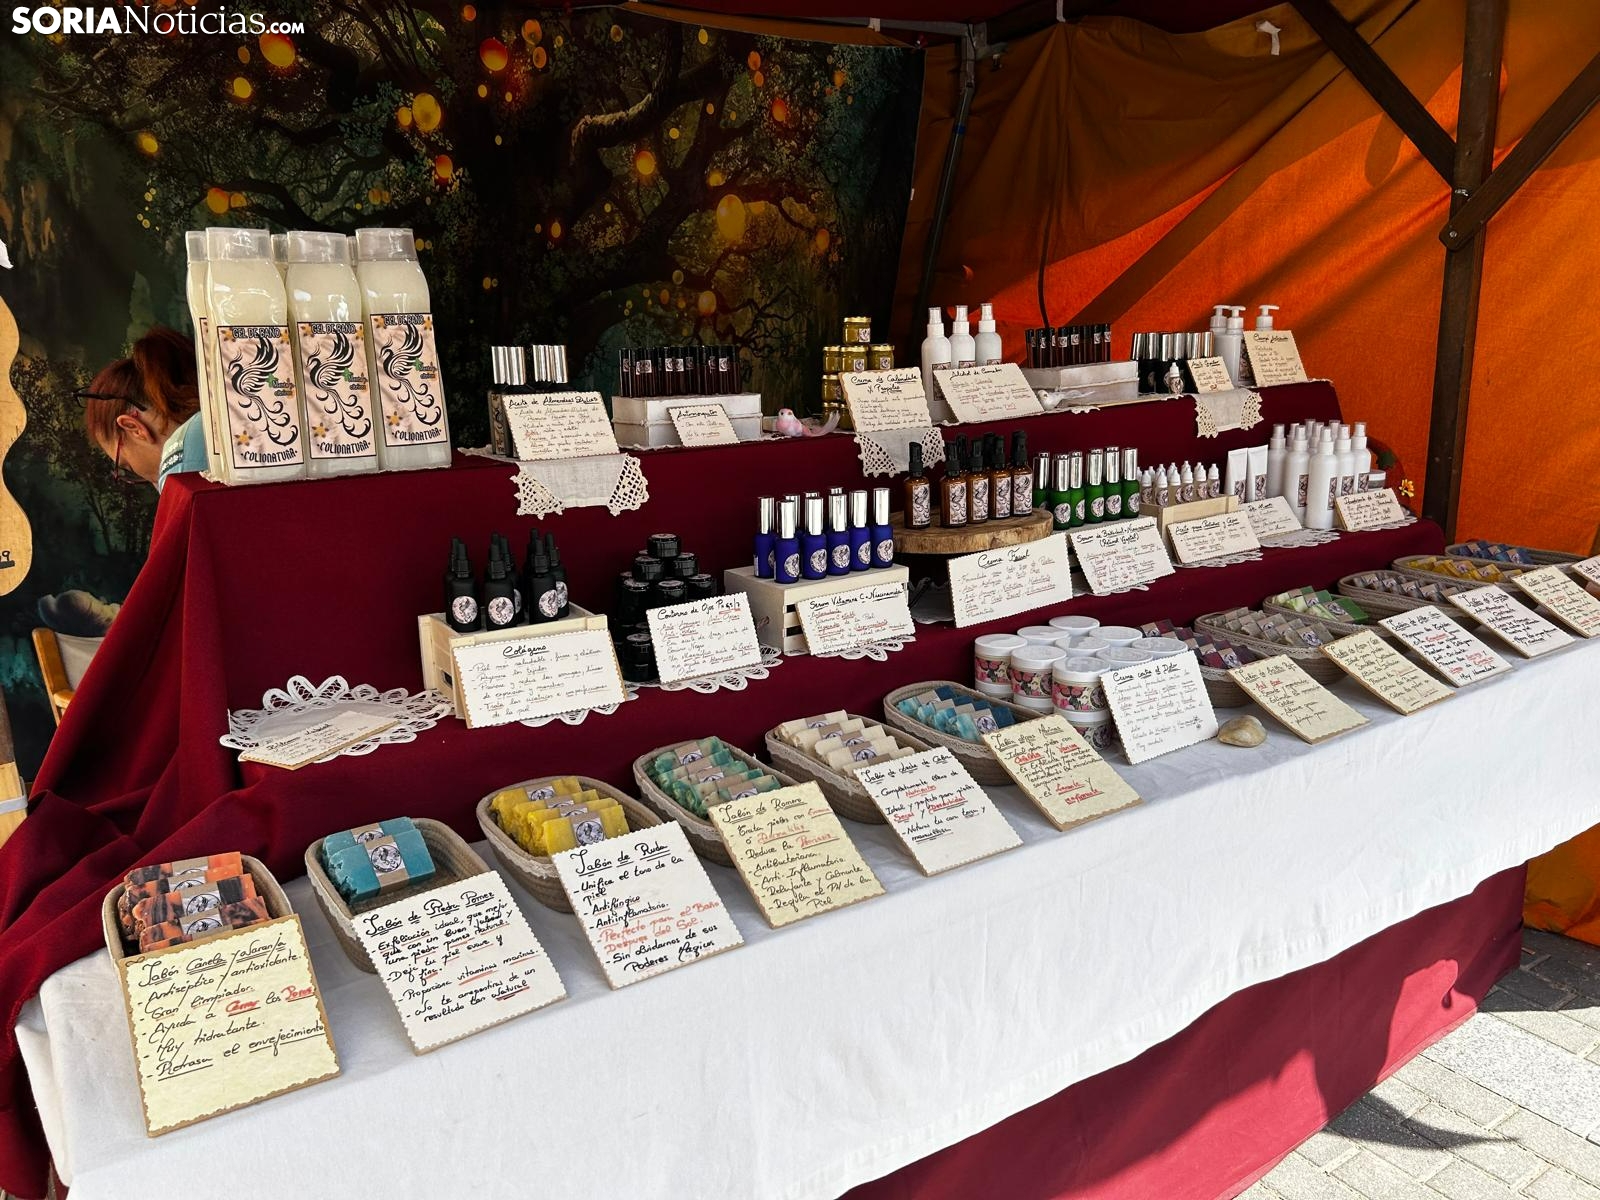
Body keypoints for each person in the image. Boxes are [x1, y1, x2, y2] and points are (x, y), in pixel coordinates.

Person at [79, 325, 208, 491]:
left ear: (134, 427)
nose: (150, 482)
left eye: (127, 468)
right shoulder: (225, 412)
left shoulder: (181, 474)